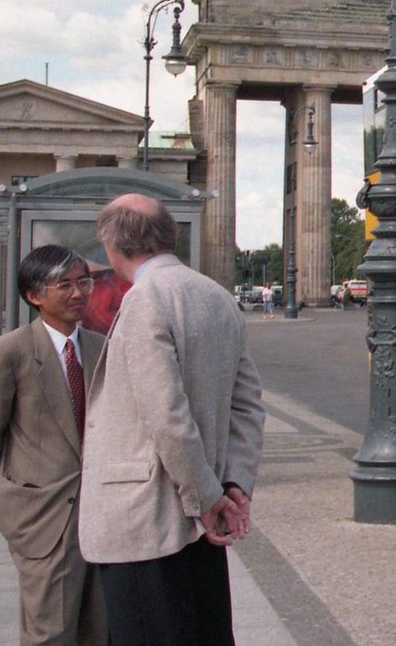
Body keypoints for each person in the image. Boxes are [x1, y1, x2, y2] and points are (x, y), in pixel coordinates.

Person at [79, 194, 266, 644]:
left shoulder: (145, 298)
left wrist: (204, 497)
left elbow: (166, 412)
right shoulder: (217, 296)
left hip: (147, 520)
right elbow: (248, 404)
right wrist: (232, 485)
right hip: (202, 523)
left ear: (113, 244)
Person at [0, 245, 108, 644]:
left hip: (102, 519)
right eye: (63, 284)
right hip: (42, 520)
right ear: (34, 295)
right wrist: (13, 513)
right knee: (49, 633)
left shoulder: (103, 348)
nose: (78, 293)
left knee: (99, 631)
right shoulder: (7, 353)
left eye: (83, 282)